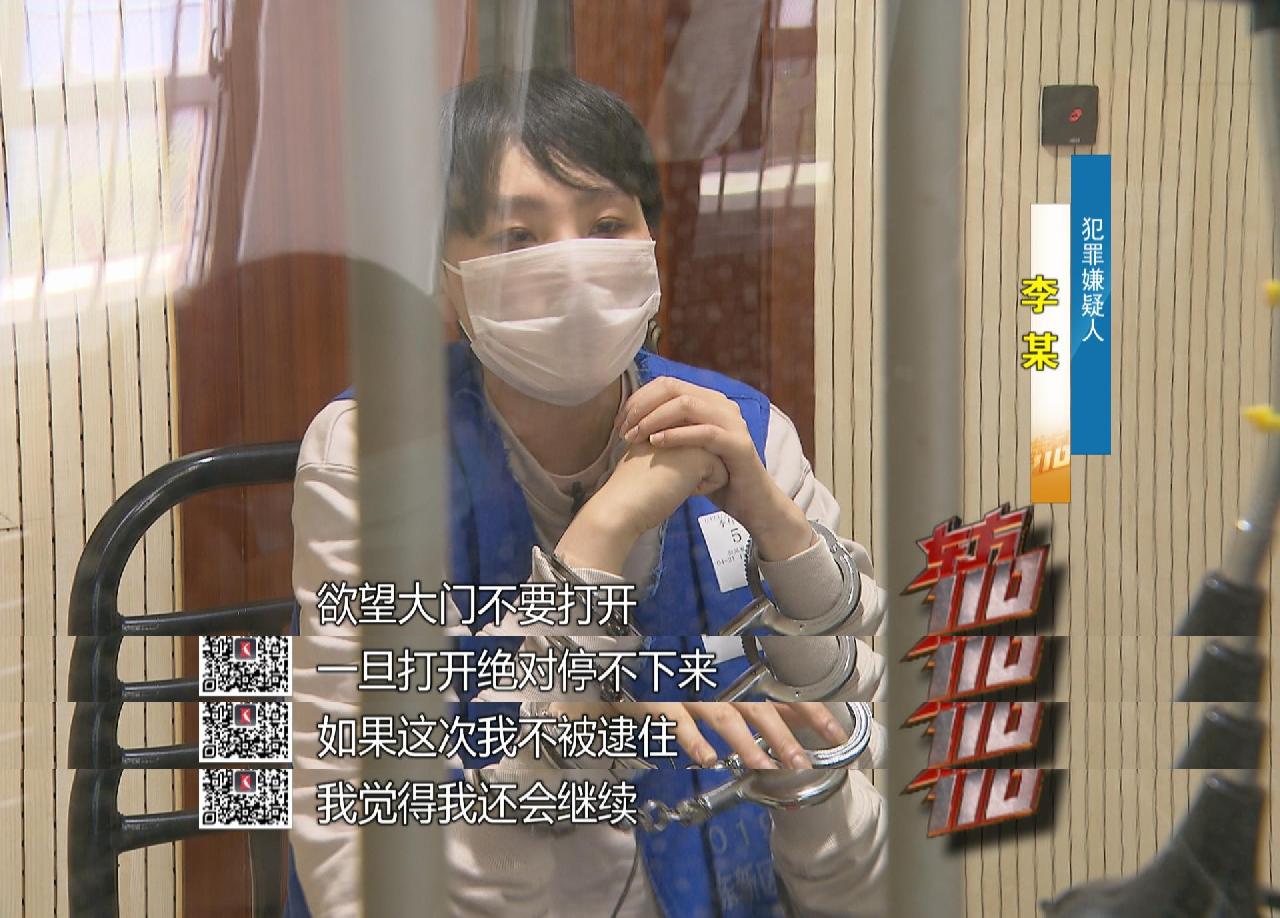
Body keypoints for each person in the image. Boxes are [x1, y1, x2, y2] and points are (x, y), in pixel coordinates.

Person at [289, 69, 888, 917]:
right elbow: (356, 873)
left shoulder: (749, 435)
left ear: (650, 247)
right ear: (442, 274)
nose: (572, 267)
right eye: (517, 236)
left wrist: (781, 534)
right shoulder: (365, 454)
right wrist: (602, 535)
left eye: (607, 225)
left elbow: (860, 866)